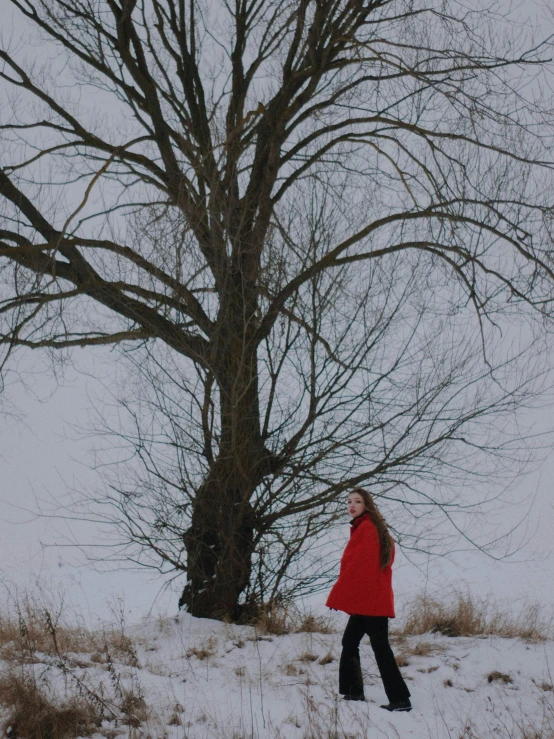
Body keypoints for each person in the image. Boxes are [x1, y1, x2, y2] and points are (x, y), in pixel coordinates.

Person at [326, 487, 412, 712]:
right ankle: (355, 692)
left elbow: (356, 569)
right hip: (371, 602)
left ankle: (400, 700)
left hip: (370, 603)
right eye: (349, 501)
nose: (351, 505)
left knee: (380, 648)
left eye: (357, 501)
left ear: (367, 505)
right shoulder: (374, 528)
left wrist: (341, 595)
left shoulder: (367, 528)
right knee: (352, 641)